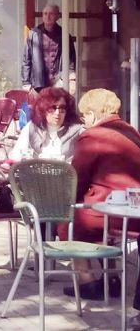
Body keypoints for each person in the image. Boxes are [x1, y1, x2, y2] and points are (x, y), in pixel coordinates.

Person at [57, 89, 140, 301]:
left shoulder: (93, 136)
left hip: (109, 210)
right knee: (98, 224)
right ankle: (111, 279)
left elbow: (77, 177)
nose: (85, 121)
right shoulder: (132, 133)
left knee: (70, 220)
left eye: (85, 116)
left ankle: (88, 282)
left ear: (93, 114)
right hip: (134, 209)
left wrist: (65, 201)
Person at [8, 87, 83, 162]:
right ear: (43, 109)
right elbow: (16, 156)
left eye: (62, 108)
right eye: (52, 108)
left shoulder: (77, 131)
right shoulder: (32, 128)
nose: (57, 113)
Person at [22, 3, 77, 94]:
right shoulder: (33, 34)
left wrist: (71, 77)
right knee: (41, 107)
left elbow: (71, 60)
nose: (48, 17)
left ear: (58, 16)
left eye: (51, 14)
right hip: (38, 82)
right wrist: (26, 83)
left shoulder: (64, 35)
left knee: (57, 106)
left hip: (59, 81)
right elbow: (26, 60)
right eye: (45, 14)